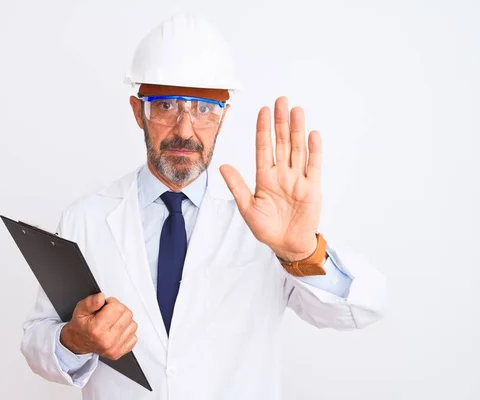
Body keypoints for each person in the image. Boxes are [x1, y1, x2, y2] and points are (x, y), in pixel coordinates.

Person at [20, 13, 387, 399]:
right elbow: (37, 339)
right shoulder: (86, 218)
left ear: (223, 116)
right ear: (137, 111)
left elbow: (362, 309)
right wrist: (74, 340)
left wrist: (302, 252)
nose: (184, 129)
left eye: (203, 108)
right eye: (165, 106)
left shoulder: (266, 223)